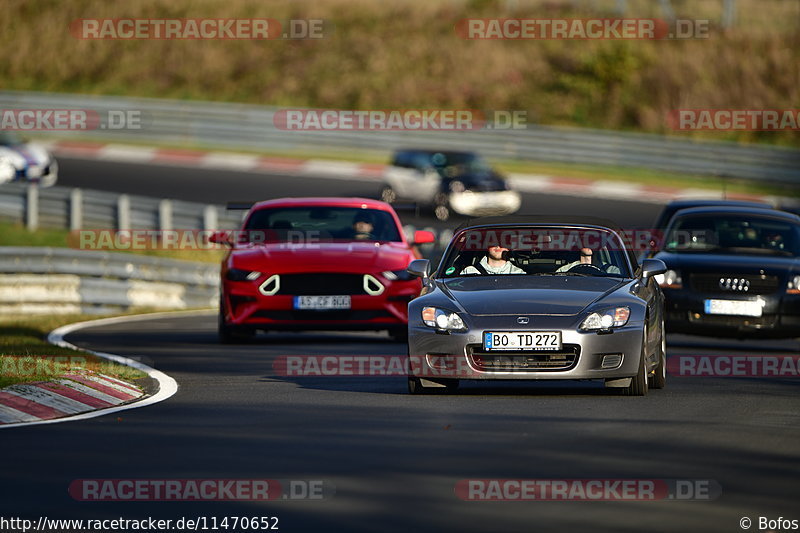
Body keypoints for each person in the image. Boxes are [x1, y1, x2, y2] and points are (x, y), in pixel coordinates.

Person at [556, 247, 621, 274]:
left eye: (592, 239)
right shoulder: (563, 271)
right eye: (584, 239)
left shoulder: (613, 272)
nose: (589, 242)